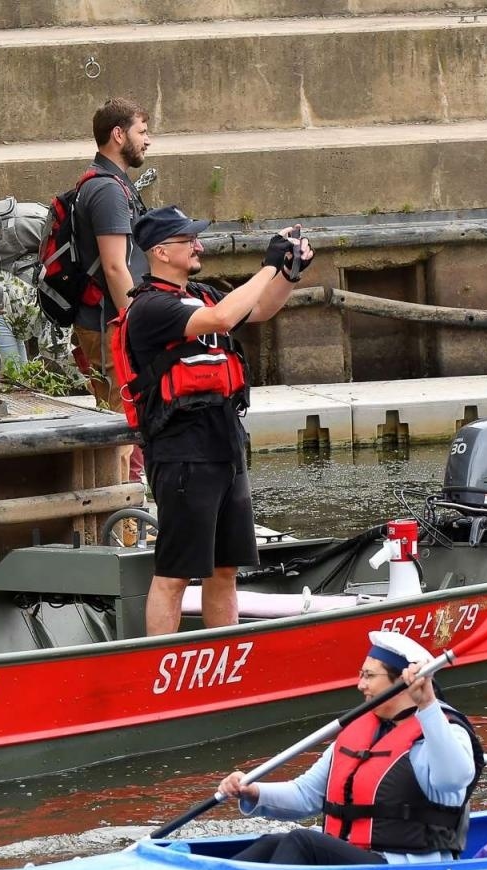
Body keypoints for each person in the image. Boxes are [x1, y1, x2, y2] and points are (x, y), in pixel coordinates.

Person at [123, 205, 313, 636]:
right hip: (182, 452)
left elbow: (259, 309)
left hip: (225, 443)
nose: (198, 246)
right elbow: (223, 319)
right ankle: (159, 660)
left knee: (225, 568)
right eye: (188, 240)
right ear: (161, 252)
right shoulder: (151, 307)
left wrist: (288, 272)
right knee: (174, 573)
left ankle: (224, 653)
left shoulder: (203, 293)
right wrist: (267, 265)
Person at [217, 632, 484, 865]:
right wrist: (253, 792)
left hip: (403, 868)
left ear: (401, 682)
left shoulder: (443, 731)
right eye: (361, 675)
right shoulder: (363, 730)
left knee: (302, 841)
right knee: (270, 843)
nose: (360, 685)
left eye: (369, 676)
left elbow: (454, 779)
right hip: (352, 857)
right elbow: (305, 795)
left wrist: (427, 704)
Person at [73, 96, 152, 485]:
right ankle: (123, 513)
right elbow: (115, 266)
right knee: (121, 426)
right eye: (142, 131)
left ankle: (129, 508)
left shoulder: (110, 183)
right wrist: (137, 322)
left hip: (108, 321)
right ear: (118, 135)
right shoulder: (107, 191)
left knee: (128, 424)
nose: (148, 140)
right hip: (110, 323)